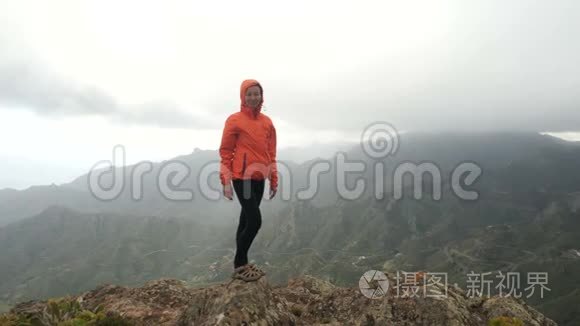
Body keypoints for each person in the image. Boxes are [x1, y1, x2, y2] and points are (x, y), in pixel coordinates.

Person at [219, 79, 278, 282]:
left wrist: (274, 177)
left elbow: (271, 152)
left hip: (259, 177)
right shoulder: (234, 120)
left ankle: (240, 267)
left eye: (257, 94)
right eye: (249, 94)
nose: (254, 97)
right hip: (241, 177)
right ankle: (240, 264)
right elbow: (226, 151)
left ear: (262, 96)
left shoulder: (267, 122)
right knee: (255, 221)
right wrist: (225, 180)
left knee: (245, 219)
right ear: (243, 96)